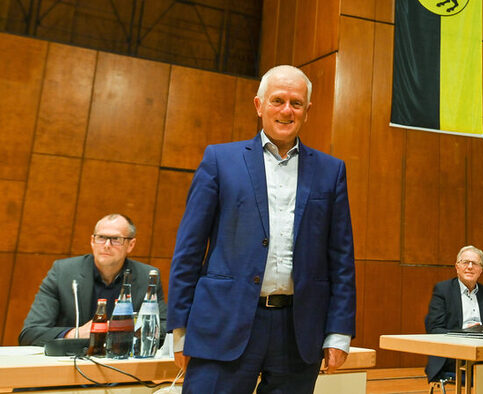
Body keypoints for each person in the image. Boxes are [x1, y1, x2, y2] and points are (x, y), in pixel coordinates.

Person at [167, 64, 355, 394]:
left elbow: (341, 259)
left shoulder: (330, 171)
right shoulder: (219, 160)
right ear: (259, 105)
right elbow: (189, 250)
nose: (286, 110)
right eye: (277, 100)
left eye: (296, 103)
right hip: (222, 324)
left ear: (307, 111)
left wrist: (339, 330)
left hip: (297, 332)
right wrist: (180, 328)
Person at [19, 213, 167, 346]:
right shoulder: (63, 272)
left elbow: (164, 329)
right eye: (101, 238)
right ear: (92, 241)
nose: (107, 245)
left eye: (116, 239)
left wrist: (124, 333)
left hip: (123, 366)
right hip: (68, 366)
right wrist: (76, 334)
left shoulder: (146, 276)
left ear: (130, 245)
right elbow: (30, 333)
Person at [424, 245, 483, 383]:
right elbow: (435, 329)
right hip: (453, 354)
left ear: (481, 270)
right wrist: (466, 333)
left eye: (475, 263)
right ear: (457, 267)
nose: (470, 267)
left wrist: (482, 332)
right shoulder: (443, 290)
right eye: (465, 262)